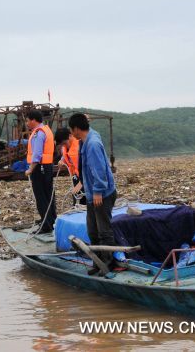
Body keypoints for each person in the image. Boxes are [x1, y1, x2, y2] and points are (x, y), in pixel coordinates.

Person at [68, 113, 117, 274]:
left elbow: (100, 170)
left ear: (76, 129)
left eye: (71, 129)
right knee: (93, 231)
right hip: (91, 193)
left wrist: (98, 192)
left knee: (104, 231)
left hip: (101, 193)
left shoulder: (93, 143)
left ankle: (108, 263)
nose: (71, 133)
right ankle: (98, 261)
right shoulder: (86, 140)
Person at [24, 110, 56, 234]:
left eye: (27, 121)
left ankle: (46, 225)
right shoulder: (47, 130)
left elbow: (37, 154)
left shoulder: (38, 133)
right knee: (48, 195)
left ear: (33, 120)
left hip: (39, 168)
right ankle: (51, 220)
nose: (26, 123)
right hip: (47, 167)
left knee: (41, 197)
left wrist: (30, 169)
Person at [54, 127, 86, 205]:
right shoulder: (65, 147)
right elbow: (66, 156)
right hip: (75, 176)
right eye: (62, 144)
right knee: (76, 199)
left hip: (85, 179)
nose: (64, 146)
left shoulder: (80, 147)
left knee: (85, 202)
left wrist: (81, 183)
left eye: (65, 143)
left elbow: (88, 168)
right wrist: (61, 160)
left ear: (70, 136)